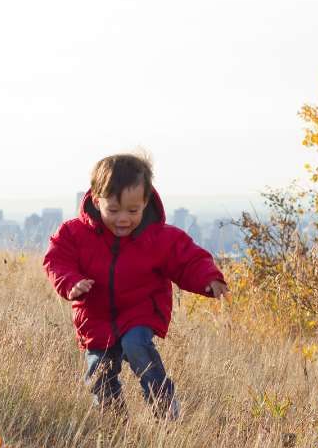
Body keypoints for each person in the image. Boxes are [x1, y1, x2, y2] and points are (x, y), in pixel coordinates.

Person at [43, 154, 228, 419]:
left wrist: (209, 278)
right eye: (114, 210)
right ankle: (115, 423)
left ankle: (164, 405)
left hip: (140, 312)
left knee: (136, 346)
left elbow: (187, 259)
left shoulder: (159, 237)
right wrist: (70, 282)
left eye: (133, 211)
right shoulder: (75, 234)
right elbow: (57, 260)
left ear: (145, 202)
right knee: (98, 376)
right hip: (95, 317)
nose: (123, 219)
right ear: (97, 201)